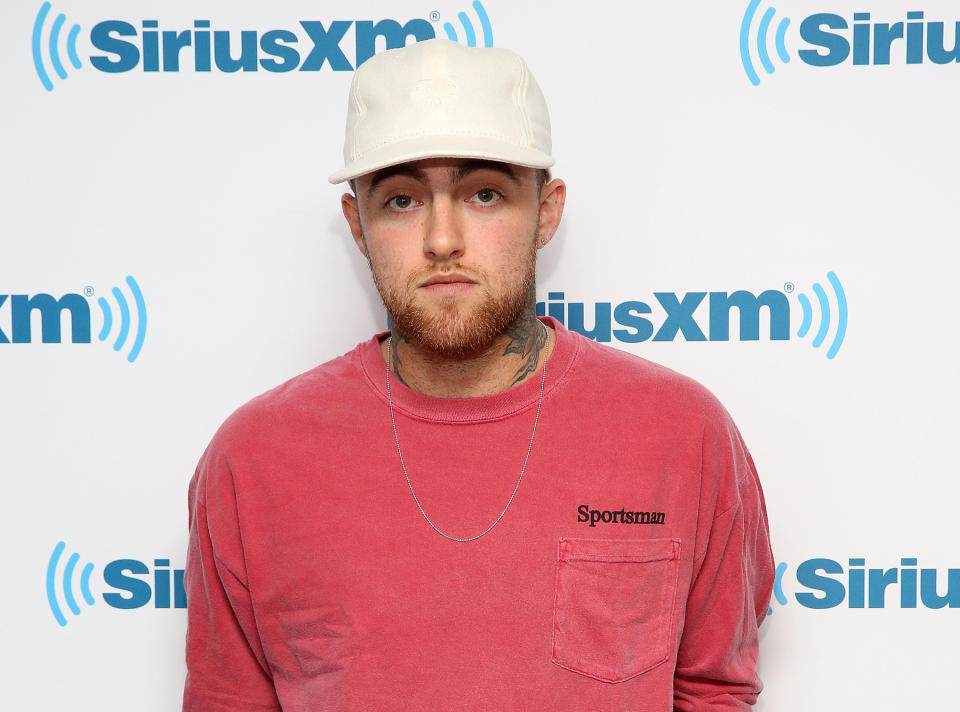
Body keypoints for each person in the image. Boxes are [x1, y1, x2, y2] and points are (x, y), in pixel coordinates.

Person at [182, 38, 774, 711]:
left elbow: (713, 689)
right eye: (401, 200)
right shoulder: (254, 460)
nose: (441, 239)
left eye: (484, 193)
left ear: (546, 211)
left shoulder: (682, 434)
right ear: (357, 224)